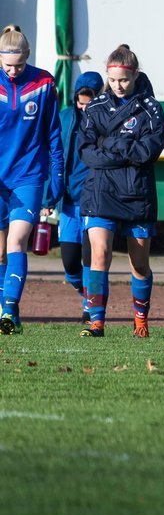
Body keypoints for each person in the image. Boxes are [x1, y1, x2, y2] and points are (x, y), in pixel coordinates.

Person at [79, 45, 164, 338]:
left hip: (137, 193)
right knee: (100, 255)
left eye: (124, 81)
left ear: (135, 75)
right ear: (108, 76)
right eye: (113, 80)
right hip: (100, 191)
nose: (118, 86)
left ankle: (140, 321)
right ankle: (96, 323)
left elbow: (148, 152)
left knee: (139, 264)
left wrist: (111, 144)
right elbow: (86, 152)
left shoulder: (151, 109)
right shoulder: (95, 108)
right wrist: (123, 150)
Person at [0, 25, 64, 334]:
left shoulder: (44, 83)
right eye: (7, 65)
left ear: (28, 57)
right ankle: (8, 311)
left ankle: (9, 311)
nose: (13, 71)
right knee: (0, 251)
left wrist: (57, 176)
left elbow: (53, 134)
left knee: (17, 241)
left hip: (28, 175)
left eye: (19, 65)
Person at [44, 72, 104, 323]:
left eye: (90, 100)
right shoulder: (66, 117)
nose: (85, 105)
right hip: (68, 204)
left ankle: (90, 308)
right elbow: (52, 155)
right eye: (81, 100)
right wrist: (49, 197)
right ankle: (87, 293)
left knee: (91, 259)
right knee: (69, 264)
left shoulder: (106, 119)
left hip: (94, 203)